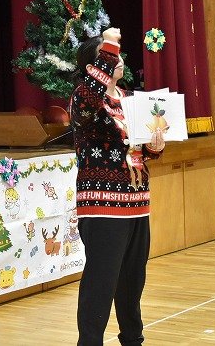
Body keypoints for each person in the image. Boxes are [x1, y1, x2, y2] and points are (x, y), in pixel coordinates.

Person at [70, 27, 165, 345]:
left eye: (117, 53)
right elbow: (89, 99)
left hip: (137, 203)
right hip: (103, 206)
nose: (117, 58)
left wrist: (153, 146)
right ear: (93, 67)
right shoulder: (84, 97)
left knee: (132, 282)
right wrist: (109, 43)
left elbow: (137, 147)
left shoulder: (129, 99)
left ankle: (133, 340)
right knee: (101, 282)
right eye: (108, 56)